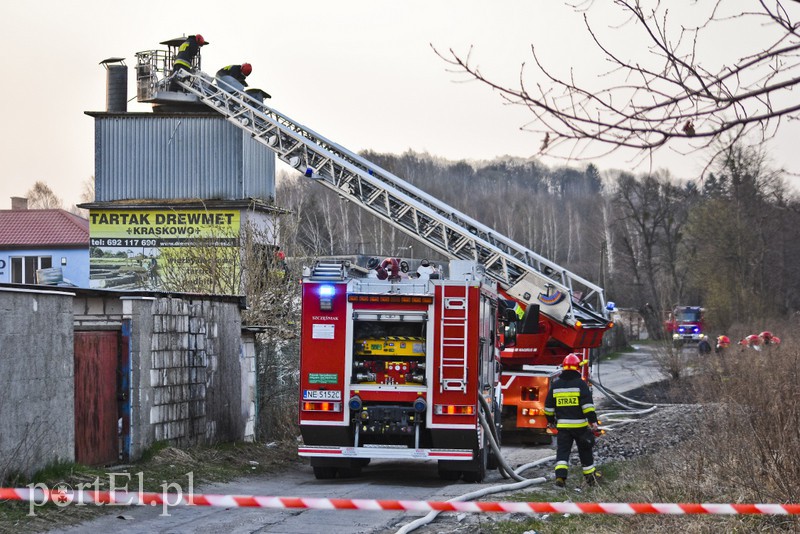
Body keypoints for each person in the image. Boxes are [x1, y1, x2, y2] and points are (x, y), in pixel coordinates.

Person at [544, 353, 600, 487]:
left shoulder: (556, 386)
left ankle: (560, 478)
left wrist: (551, 420)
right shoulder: (581, 384)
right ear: (577, 368)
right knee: (585, 451)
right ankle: (590, 478)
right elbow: (587, 407)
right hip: (580, 427)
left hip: (563, 427)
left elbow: (548, 407)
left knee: (563, 452)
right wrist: (593, 422)